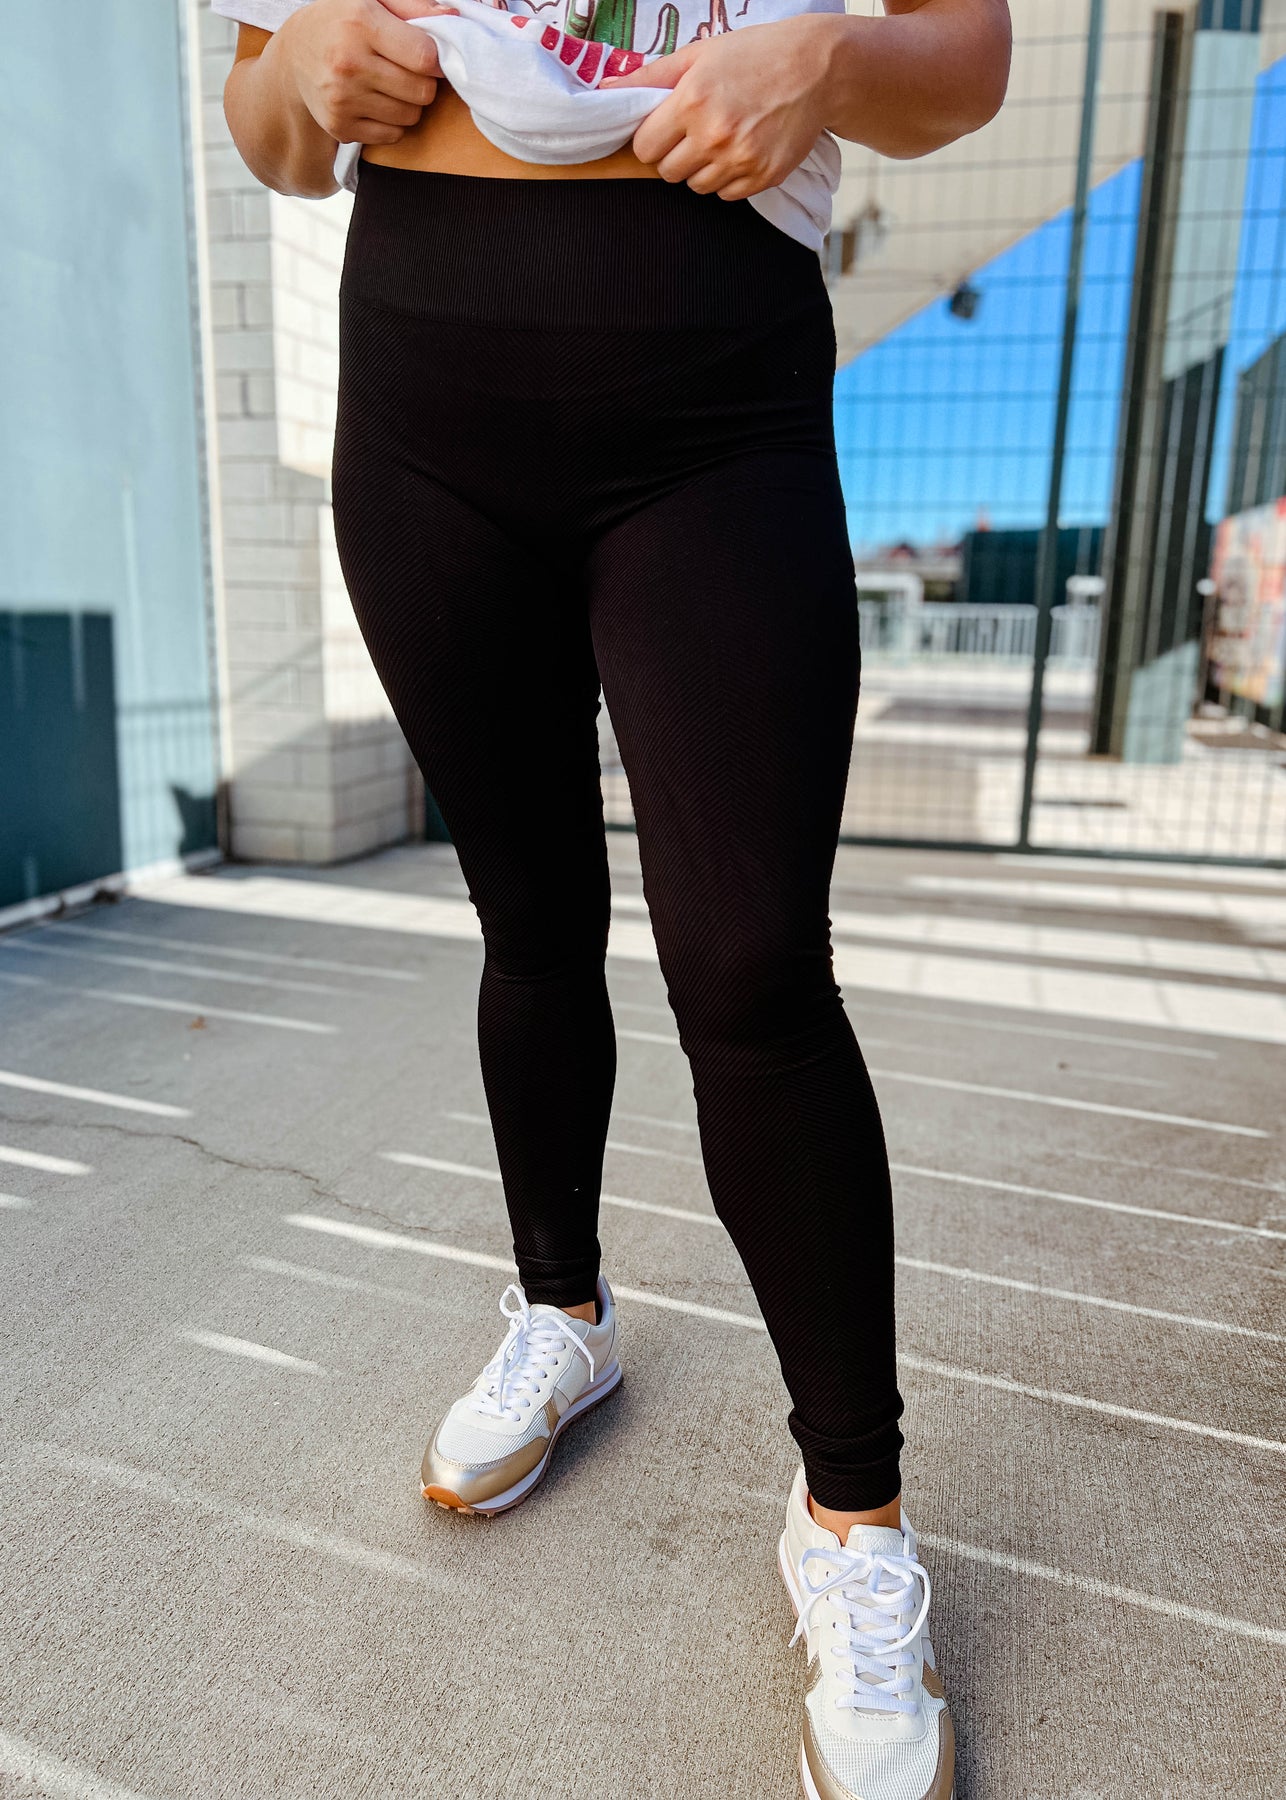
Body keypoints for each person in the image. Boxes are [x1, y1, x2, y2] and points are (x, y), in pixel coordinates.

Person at [217, 2, 1010, 1794]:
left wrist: (826, 65)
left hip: (713, 401)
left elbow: (962, 61)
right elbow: (265, 129)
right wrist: (303, 67)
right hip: (421, 401)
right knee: (527, 915)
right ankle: (560, 1318)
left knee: (751, 969)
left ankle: (851, 1515)